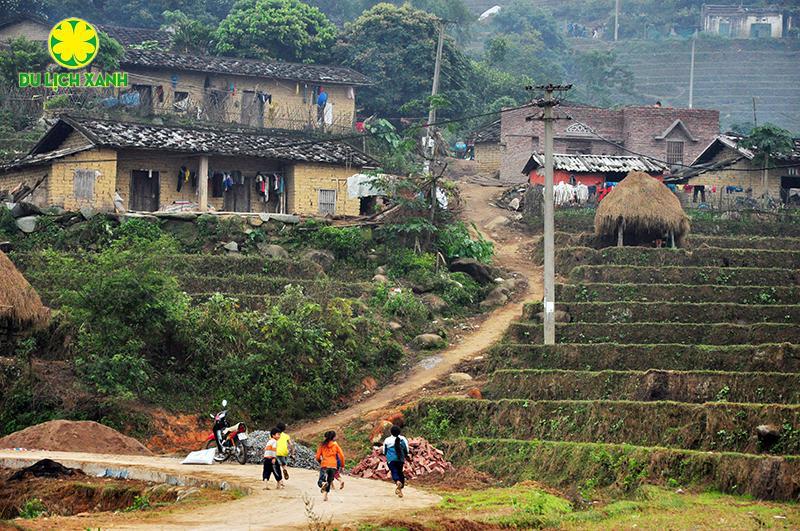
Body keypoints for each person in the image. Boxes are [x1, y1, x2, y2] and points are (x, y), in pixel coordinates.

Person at [315, 430, 345, 501]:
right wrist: (342, 465)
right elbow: (342, 456)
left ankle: (322, 483)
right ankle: (325, 496)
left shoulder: (322, 445)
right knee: (329, 481)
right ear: (333, 437)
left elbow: (317, 457)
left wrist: (320, 462)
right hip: (333, 466)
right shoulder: (335, 445)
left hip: (325, 465)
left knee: (321, 481)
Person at [382, 425, 409, 498]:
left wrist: (386, 455)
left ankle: (397, 482)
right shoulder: (403, 439)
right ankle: (400, 488)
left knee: (394, 471)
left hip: (391, 459)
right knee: (400, 472)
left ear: (391, 432)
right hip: (400, 459)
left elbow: (384, 451)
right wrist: (406, 455)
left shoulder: (387, 440)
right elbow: (406, 449)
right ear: (399, 432)